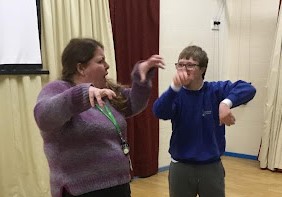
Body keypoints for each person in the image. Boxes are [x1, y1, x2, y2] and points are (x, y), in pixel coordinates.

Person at [34, 38, 164, 197]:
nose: (107, 66)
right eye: (101, 61)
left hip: (118, 185)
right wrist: (81, 95)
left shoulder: (104, 90)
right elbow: (43, 116)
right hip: (80, 191)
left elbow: (132, 104)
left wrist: (141, 77)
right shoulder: (58, 89)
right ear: (81, 68)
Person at [152, 45, 256, 197]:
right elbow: (159, 111)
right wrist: (174, 87)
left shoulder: (215, 90)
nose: (183, 69)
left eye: (190, 65)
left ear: (202, 69)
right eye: (180, 65)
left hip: (211, 166)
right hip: (181, 166)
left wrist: (225, 103)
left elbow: (248, 89)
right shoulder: (176, 95)